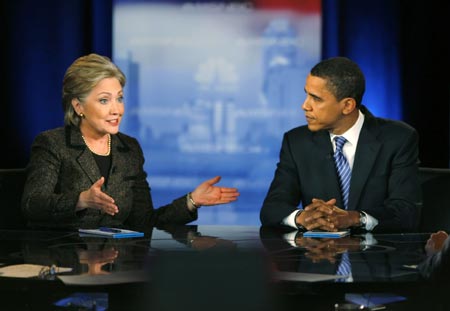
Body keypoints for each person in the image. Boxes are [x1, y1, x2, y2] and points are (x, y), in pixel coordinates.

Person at [21, 53, 239, 231]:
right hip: (64, 261)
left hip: (116, 265)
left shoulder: (128, 149)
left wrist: (192, 200)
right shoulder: (53, 144)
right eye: (104, 100)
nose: (117, 110)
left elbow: (143, 221)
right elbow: (33, 205)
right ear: (78, 107)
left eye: (120, 98)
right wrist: (81, 200)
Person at [260, 56, 421, 232]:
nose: (305, 105)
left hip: (377, 254)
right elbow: (272, 208)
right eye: (306, 94)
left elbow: (407, 212)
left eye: (316, 99)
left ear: (347, 106)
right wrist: (301, 218)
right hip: (319, 256)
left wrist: (355, 218)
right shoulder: (297, 142)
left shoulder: (397, 138)